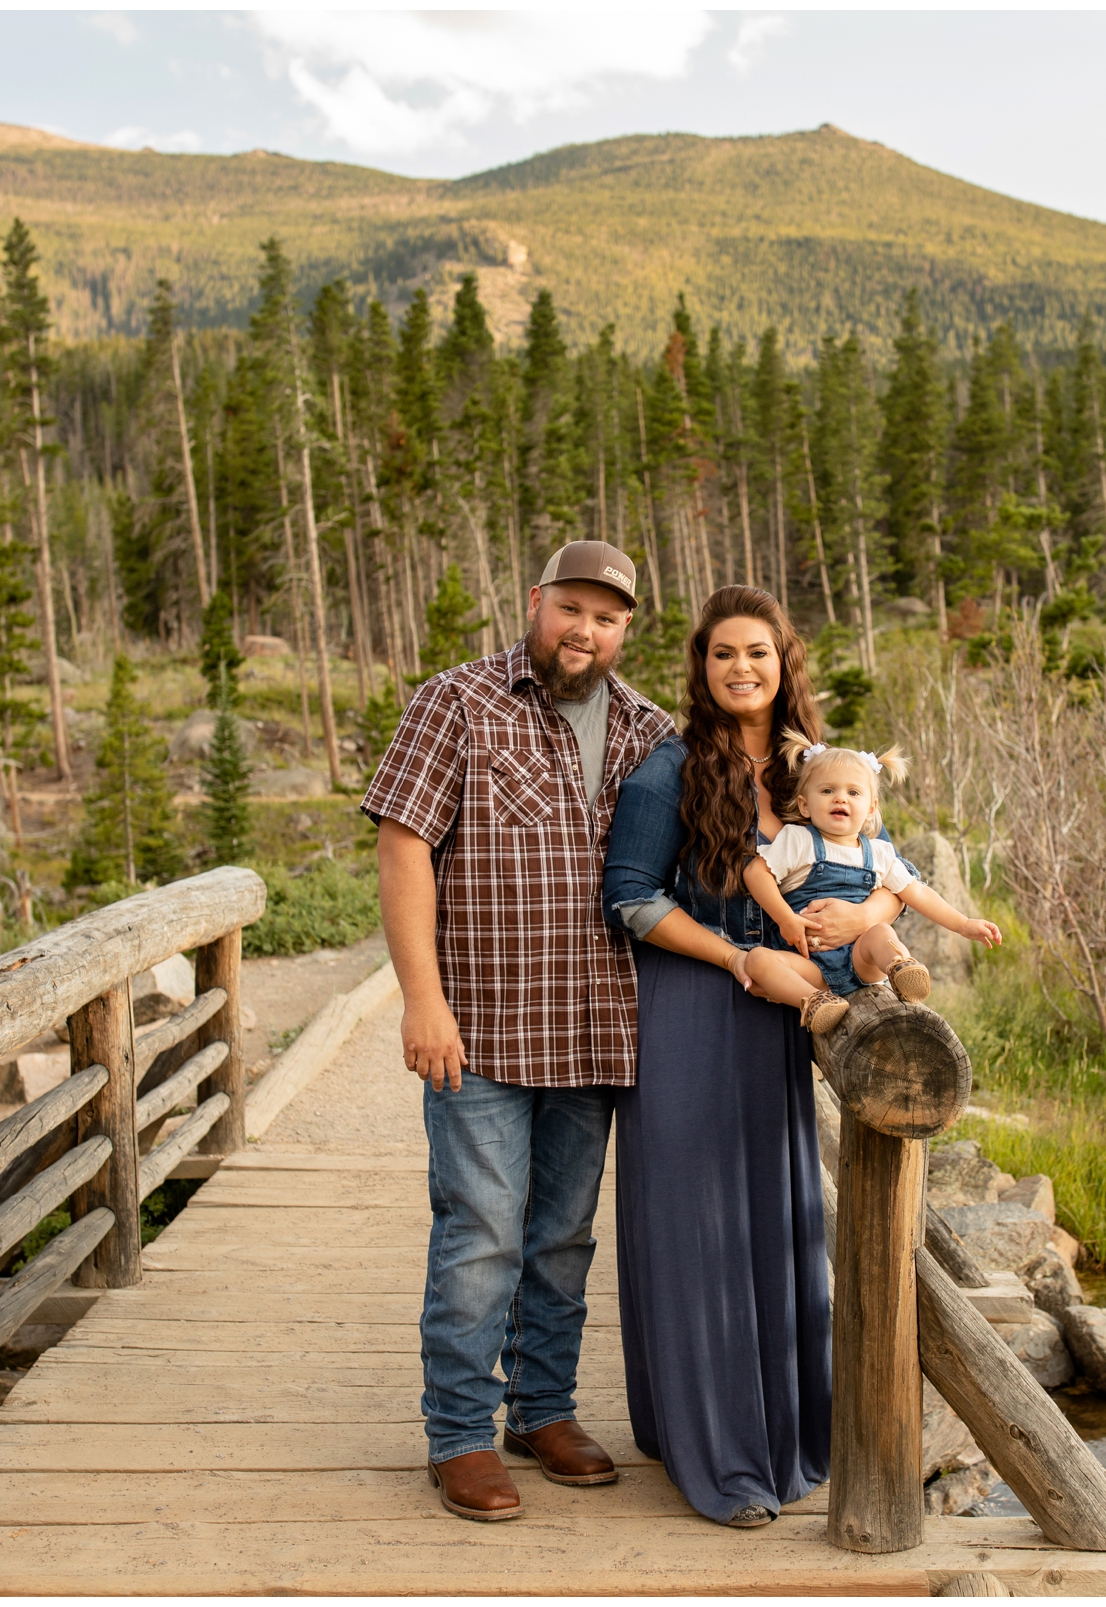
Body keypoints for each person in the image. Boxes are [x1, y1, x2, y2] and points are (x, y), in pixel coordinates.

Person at [363, 540, 676, 1523]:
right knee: (482, 1232)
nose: (585, 630)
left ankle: (542, 1408)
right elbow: (403, 843)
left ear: (626, 631)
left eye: (608, 617)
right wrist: (423, 997)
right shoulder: (455, 700)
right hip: (482, 1024)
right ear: (535, 601)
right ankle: (459, 1431)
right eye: (571, 607)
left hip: (595, 1026)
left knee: (561, 1236)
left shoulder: (650, 730)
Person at [600, 585, 911, 1528]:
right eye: (723, 653)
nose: (742, 669)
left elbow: (888, 871)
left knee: (773, 1223)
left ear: (786, 665)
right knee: (698, 1232)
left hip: (779, 1023)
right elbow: (629, 896)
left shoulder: (814, 775)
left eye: (759, 653)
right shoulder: (669, 772)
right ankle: (723, 1461)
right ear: (701, 667)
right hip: (691, 1013)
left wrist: (868, 918)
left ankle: (786, 1437)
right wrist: (742, 957)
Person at [740, 734, 1004, 1033]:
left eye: (854, 792)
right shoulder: (798, 840)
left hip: (861, 958)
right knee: (756, 960)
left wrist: (963, 924)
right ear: (804, 805)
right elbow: (756, 874)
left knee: (881, 931)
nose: (840, 798)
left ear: (870, 809)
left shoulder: (879, 852)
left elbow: (917, 892)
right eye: (827, 790)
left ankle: (901, 968)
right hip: (809, 967)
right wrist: (785, 919)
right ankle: (815, 1002)